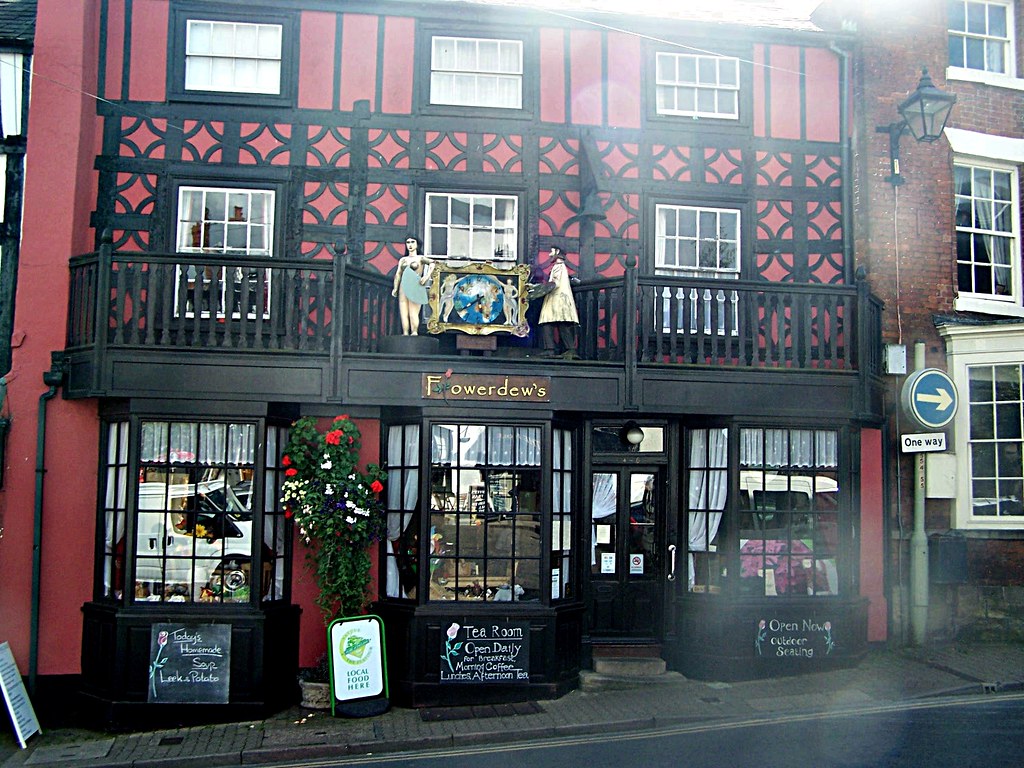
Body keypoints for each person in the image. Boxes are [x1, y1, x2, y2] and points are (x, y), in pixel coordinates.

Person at [538, 246, 579, 358]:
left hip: (557, 299)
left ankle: (552, 348)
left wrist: (540, 289)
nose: (550, 254)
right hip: (557, 299)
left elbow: (554, 283)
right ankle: (569, 349)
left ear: (557, 252)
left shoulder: (559, 267)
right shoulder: (560, 267)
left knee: (548, 322)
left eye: (551, 251)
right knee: (561, 323)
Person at [391, 236, 433, 335]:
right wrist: (395, 287)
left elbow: (433, 263)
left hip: (415, 285)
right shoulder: (403, 260)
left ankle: (414, 331)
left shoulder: (420, 258)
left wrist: (426, 276)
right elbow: (398, 274)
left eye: (412, 242)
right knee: (403, 310)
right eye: (408, 242)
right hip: (403, 286)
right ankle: (405, 331)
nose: (410, 245)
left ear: (417, 244)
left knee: (413, 311)